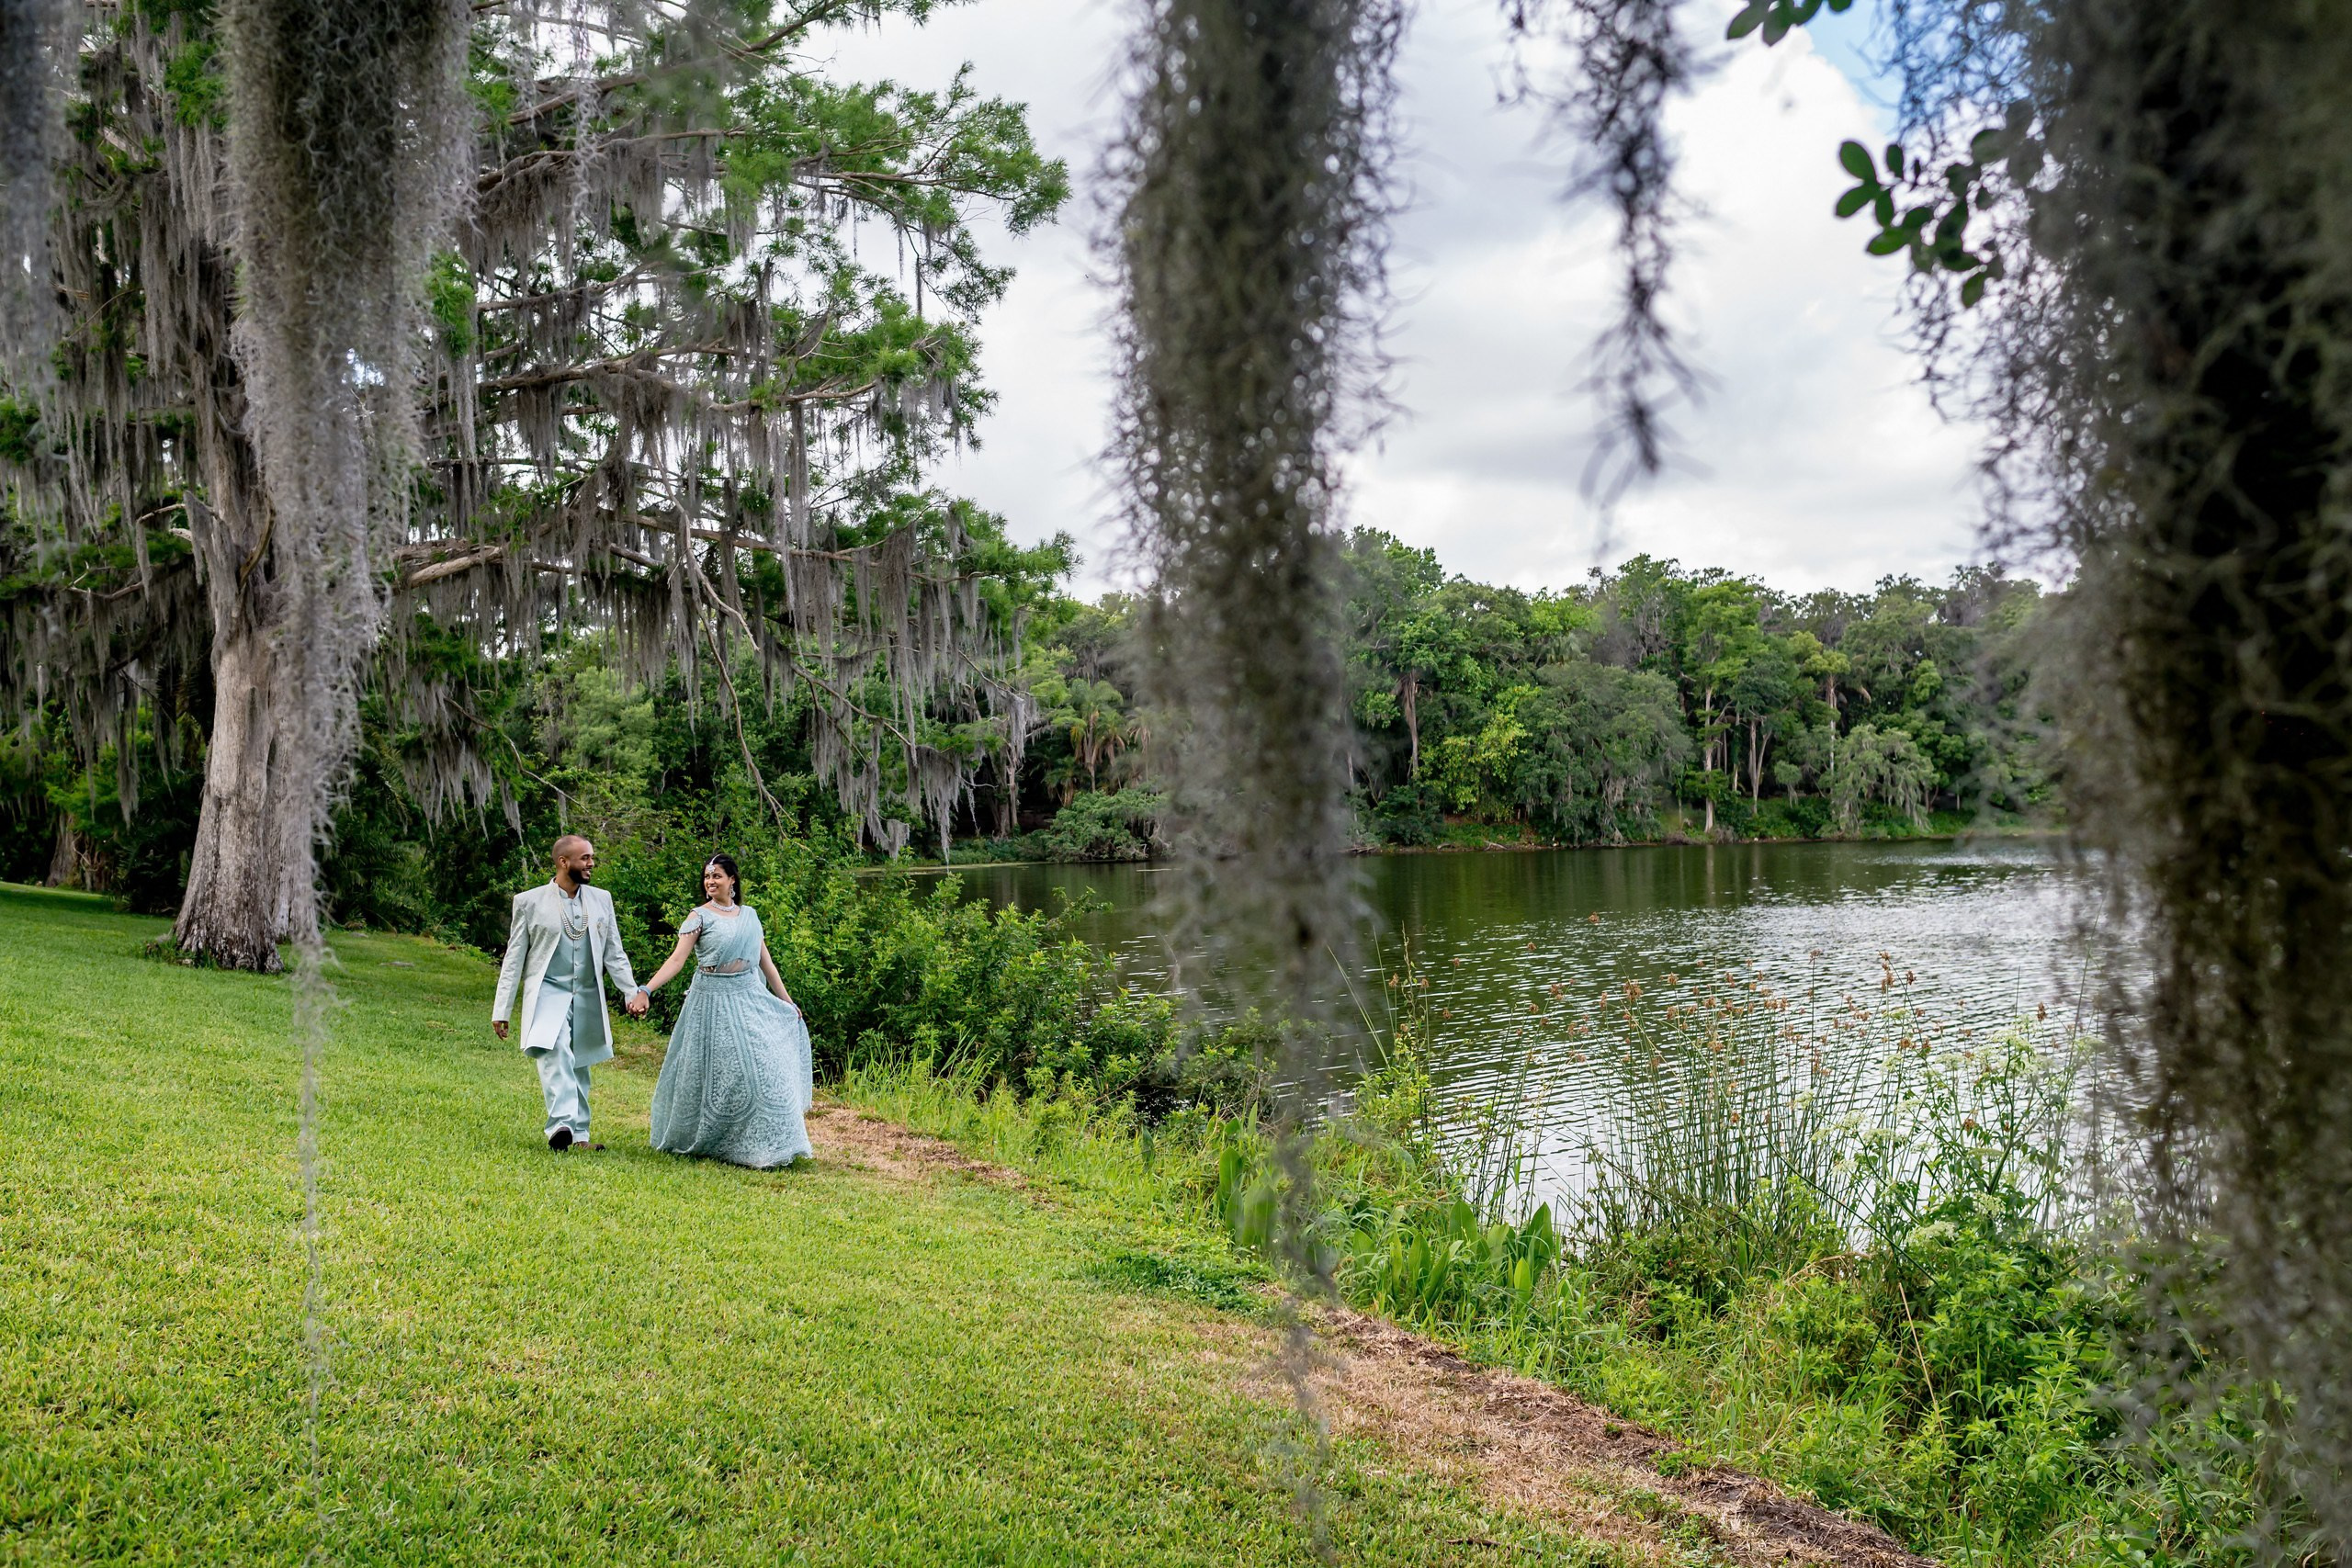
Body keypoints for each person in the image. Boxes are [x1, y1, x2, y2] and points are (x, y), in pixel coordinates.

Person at [640, 853, 815, 1169]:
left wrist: (787, 1001)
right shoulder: (698, 917)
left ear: (732, 880)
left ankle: (769, 1145)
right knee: (720, 1073)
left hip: (748, 997)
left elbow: (766, 962)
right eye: (707, 877)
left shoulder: (749, 915)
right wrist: (647, 989)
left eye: (717, 876)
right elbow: (677, 960)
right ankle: (717, 1140)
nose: (711, 882)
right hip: (711, 1002)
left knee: (765, 1068)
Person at [492, 835, 650, 1152]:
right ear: (564, 862)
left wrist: (630, 992)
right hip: (549, 991)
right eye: (585, 858)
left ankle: (579, 1137)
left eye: (591, 857)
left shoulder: (601, 900)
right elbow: (513, 959)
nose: (591, 863)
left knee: (580, 1065)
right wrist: (502, 1010)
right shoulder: (529, 902)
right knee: (556, 1050)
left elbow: (614, 953)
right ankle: (560, 1125)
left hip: (588, 993)